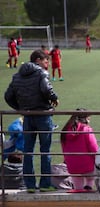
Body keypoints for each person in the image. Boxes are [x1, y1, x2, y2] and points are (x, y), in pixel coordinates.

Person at [4, 49, 59, 193]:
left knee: (28, 151)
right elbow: (47, 90)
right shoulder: (41, 73)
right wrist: (54, 98)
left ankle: (29, 185)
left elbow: (8, 96)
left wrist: (20, 108)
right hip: (43, 115)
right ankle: (45, 184)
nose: (47, 63)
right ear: (38, 60)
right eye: (45, 60)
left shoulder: (17, 76)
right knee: (45, 150)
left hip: (27, 116)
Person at [60, 108, 98, 191]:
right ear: (85, 119)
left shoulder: (65, 131)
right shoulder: (86, 129)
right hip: (88, 165)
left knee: (77, 182)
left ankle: (79, 191)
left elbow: (64, 148)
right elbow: (93, 148)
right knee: (92, 176)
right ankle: (88, 187)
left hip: (72, 165)